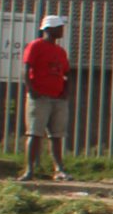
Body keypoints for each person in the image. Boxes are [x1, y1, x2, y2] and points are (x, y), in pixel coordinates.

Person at [17, 15, 73, 182]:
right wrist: (31, 89)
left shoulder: (60, 51)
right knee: (35, 133)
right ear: (48, 29)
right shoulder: (36, 46)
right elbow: (26, 68)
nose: (62, 30)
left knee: (57, 135)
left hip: (58, 98)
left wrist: (65, 92)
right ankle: (29, 170)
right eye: (59, 27)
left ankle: (59, 169)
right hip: (40, 96)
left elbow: (67, 73)